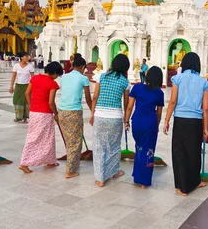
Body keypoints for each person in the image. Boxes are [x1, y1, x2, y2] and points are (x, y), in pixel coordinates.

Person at [163, 52, 208, 196]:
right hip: (195, 121)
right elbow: (206, 107)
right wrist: (206, 128)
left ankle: (181, 186)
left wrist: (167, 120)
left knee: (179, 152)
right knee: (194, 151)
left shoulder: (177, 79)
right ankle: (195, 181)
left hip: (181, 120)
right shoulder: (203, 82)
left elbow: (172, 101)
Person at [90, 54, 131, 187]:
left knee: (99, 146)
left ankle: (100, 177)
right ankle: (114, 171)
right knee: (114, 146)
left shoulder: (101, 76)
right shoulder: (125, 82)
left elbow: (95, 97)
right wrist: (126, 120)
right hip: (115, 117)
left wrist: (92, 114)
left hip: (100, 115)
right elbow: (126, 104)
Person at [18, 62, 63, 173]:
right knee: (43, 138)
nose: (57, 78)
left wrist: (32, 105)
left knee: (42, 137)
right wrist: (56, 114)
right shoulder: (52, 84)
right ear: (55, 72)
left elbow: (27, 93)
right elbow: (51, 102)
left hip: (34, 113)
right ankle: (24, 162)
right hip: (45, 114)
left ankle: (50, 160)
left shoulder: (35, 78)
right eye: (57, 75)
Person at [124, 66, 164, 188]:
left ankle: (137, 176)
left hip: (137, 121)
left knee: (139, 148)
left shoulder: (137, 87)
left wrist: (126, 121)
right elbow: (159, 113)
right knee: (148, 151)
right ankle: (144, 181)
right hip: (150, 122)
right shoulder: (159, 93)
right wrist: (156, 126)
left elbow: (130, 106)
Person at [58, 54, 93, 179]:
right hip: (74, 112)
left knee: (69, 140)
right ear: (83, 67)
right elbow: (88, 99)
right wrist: (93, 112)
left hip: (62, 111)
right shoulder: (83, 79)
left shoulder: (64, 77)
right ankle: (70, 170)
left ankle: (74, 163)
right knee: (76, 141)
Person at [9, 52, 35, 122]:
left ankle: (25, 117)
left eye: (28, 56)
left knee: (26, 101)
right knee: (17, 100)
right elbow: (13, 76)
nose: (27, 58)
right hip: (18, 85)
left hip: (27, 85)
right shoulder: (16, 66)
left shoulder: (30, 66)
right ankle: (18, 116)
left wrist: (34, 87)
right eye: (26, 56)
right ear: (21, 57)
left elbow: (33, 77)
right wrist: (11, 86)